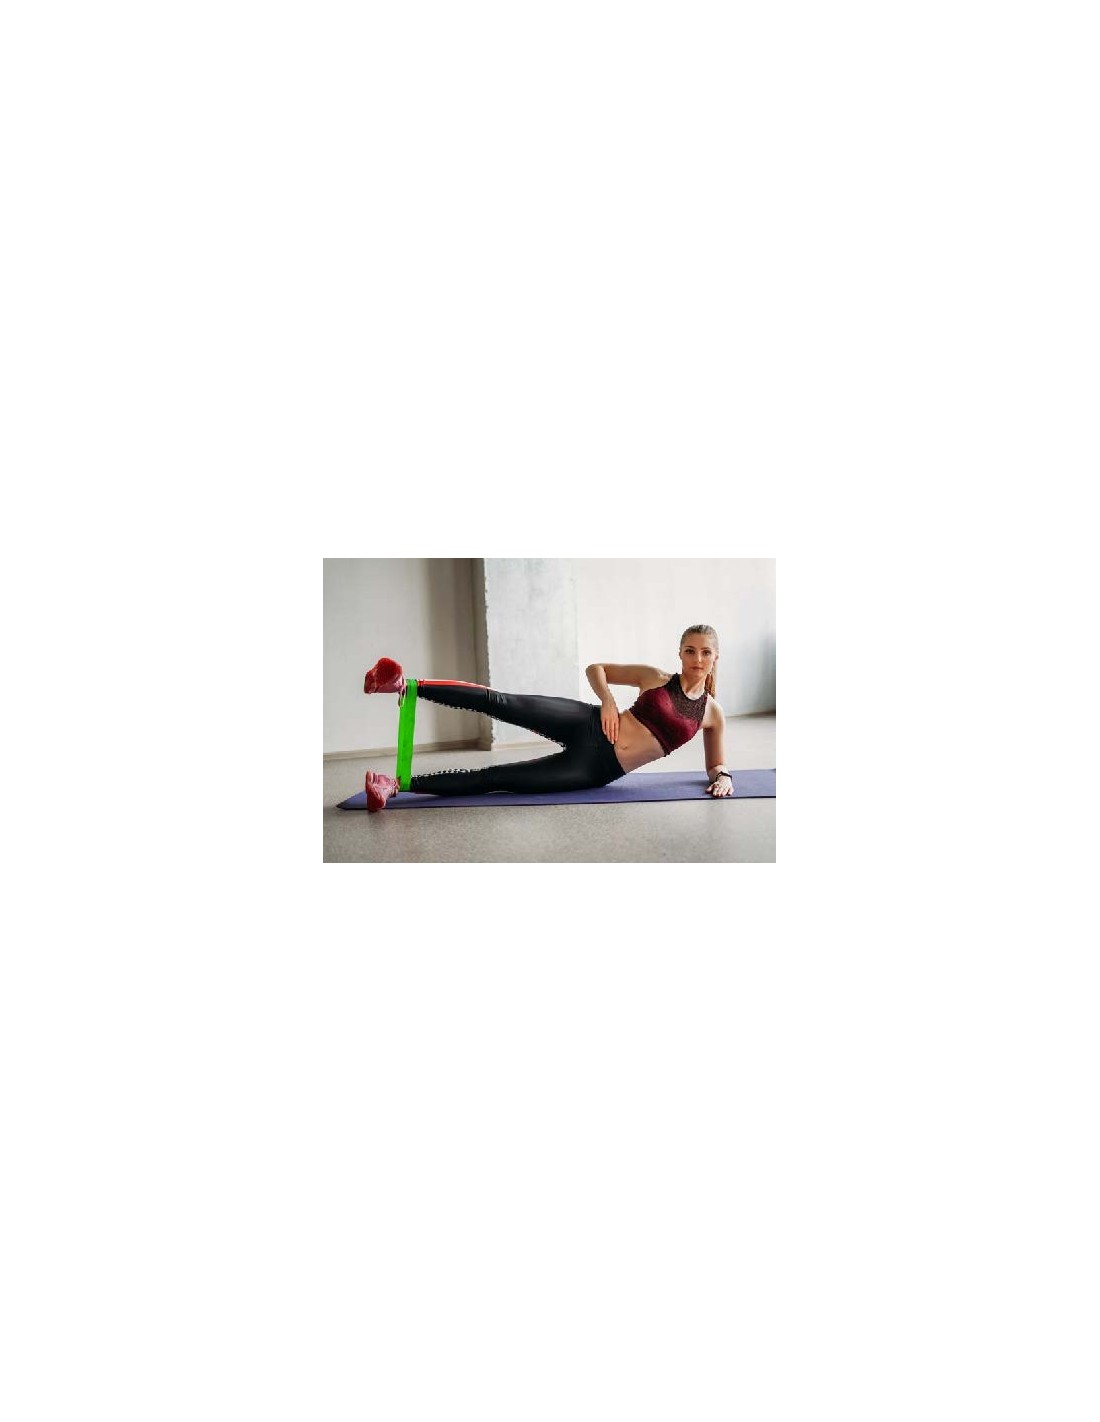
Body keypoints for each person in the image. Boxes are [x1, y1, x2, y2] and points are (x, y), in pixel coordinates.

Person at [361, 623, 734, 812]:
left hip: (595, 768)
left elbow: (715, 764)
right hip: (587, 722)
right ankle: (404, 686)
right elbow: (597, 668)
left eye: (705, 652)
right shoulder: (655, 678)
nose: (697, 659)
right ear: (680, 653)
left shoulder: (711, 714)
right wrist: (607, 700)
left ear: (715, 656)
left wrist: (723, 778)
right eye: (690, 651)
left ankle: (395, 786)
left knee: (497, 778)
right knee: (502, 702)